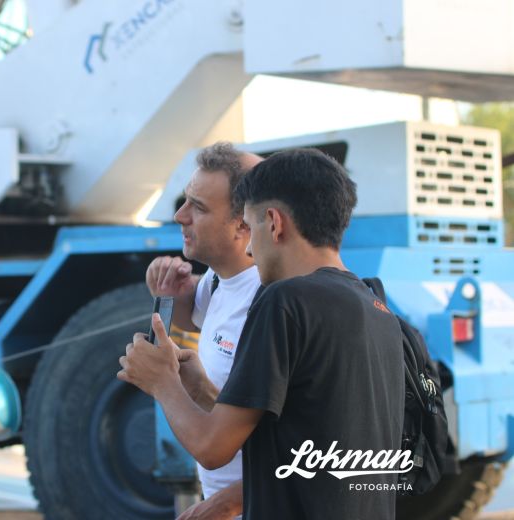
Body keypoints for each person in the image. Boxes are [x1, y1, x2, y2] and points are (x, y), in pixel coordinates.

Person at [119, 148, 404, 519]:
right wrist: (201, 389)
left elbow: (212, 447)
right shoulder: (374, 304)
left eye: (252, 226)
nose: (250, 246)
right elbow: (309, 436)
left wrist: (161, 380)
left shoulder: (283, 301)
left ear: (273, 222)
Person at [146, 142, 261, 519]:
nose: (180, 216)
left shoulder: (272, 304)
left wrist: (164, 382)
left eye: (198, 206)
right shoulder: (219, 280)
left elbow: (303, 447)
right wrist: (172, 292)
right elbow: (196, 316)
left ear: (244, 223)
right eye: (184, 201)